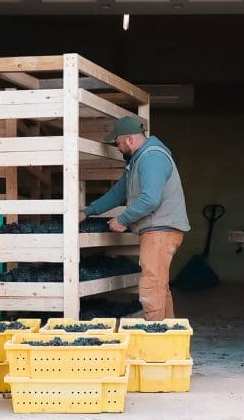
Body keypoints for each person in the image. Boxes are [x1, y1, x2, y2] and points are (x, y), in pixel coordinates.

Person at [80, 116, 191, 320]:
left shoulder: (151, 157)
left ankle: (154, 334)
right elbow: (118, 193)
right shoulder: (138, 160)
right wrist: (88, 211)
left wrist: (123, 219)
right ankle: (168, 332)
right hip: (158, 231)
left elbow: (150, 199)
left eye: (118, 143)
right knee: (158, 286)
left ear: (129, 139)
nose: (118, 148)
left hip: (160, 231)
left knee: (151, 287)